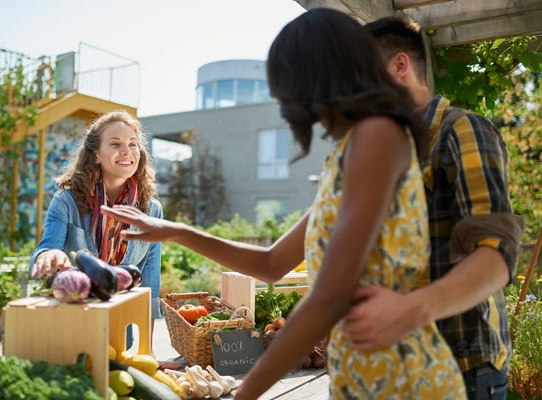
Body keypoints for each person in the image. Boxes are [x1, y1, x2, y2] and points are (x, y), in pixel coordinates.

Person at [101, 9, 466, 399]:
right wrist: (175, 232)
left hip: (406, 381)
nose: (280, 97)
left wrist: (244, 394)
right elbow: (272, 264)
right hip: (361, 380)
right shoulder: (350, 152)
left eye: (284, 83)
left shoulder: (377, 136)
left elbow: (329, 295)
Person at [339, 17, 524, 399]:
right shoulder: (388, 153)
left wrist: (407, 310)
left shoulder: (461, 129)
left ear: (399, 66)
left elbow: (498, 255)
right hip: (401, 367)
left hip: (464, 369)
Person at [28, 111, 174, 366]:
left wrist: (146, 354)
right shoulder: (67, 201)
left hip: (122, 331)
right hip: (75, 320)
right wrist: (47, 256)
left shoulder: (152, 210)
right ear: (96, 154)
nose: (126, 151)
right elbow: (47, 248)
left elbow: (149, 285)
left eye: (132, 144)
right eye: (115, 144)